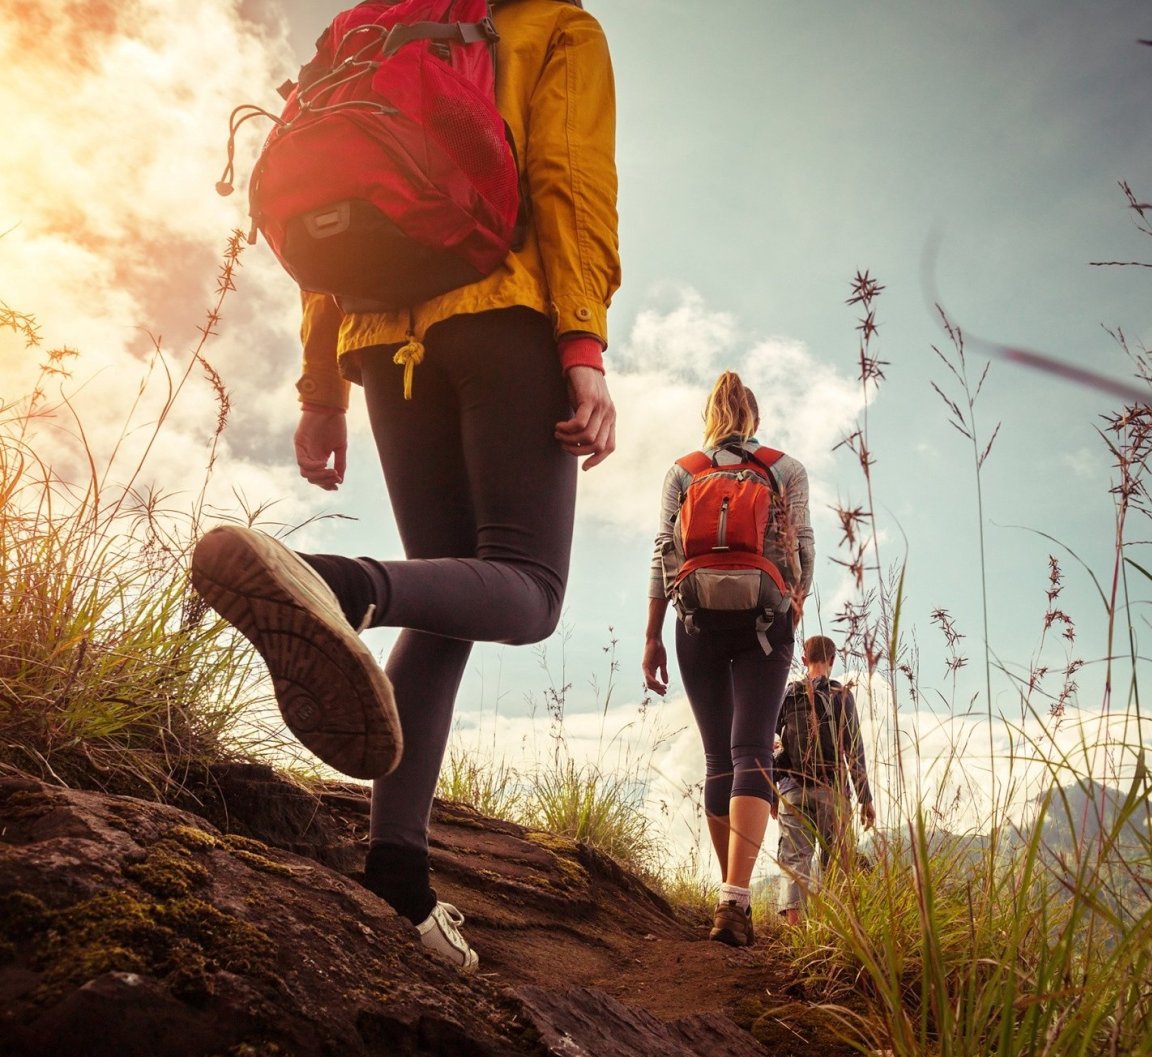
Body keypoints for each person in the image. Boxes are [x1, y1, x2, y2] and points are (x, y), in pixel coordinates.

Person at [190, 0, 619, 970]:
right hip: (502, 314)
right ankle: (337, 587)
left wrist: (320, 387)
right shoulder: (555, 25)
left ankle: (396, 875)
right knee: (528, 588)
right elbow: (569, 182)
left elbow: (326, 212)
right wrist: (582, 345)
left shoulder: (371, 29)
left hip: (379, 336)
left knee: (447, 600)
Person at [642, 371, 814, 947]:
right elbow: (804, 549)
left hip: (696, 623)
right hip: (767, 623)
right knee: (752, 751)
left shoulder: (684, 471)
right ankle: (736, 897)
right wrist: (792, 608)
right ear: (755, 418)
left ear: (709, 418)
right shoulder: (784, 468)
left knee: (720, 757)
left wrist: (653, 636)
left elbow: (662, 554)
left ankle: (728, 895)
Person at [771, 635, 875, 925]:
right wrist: (865, 798)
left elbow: (770, 742)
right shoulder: (841, 694)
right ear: (832, 659)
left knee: (795, 861)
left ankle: (795, 932)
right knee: (836, 863)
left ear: (803, 660)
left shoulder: (788, 694)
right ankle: (832, 932)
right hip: (833, 790)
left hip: (792, 789)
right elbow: (854, 749)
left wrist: (770, 793)